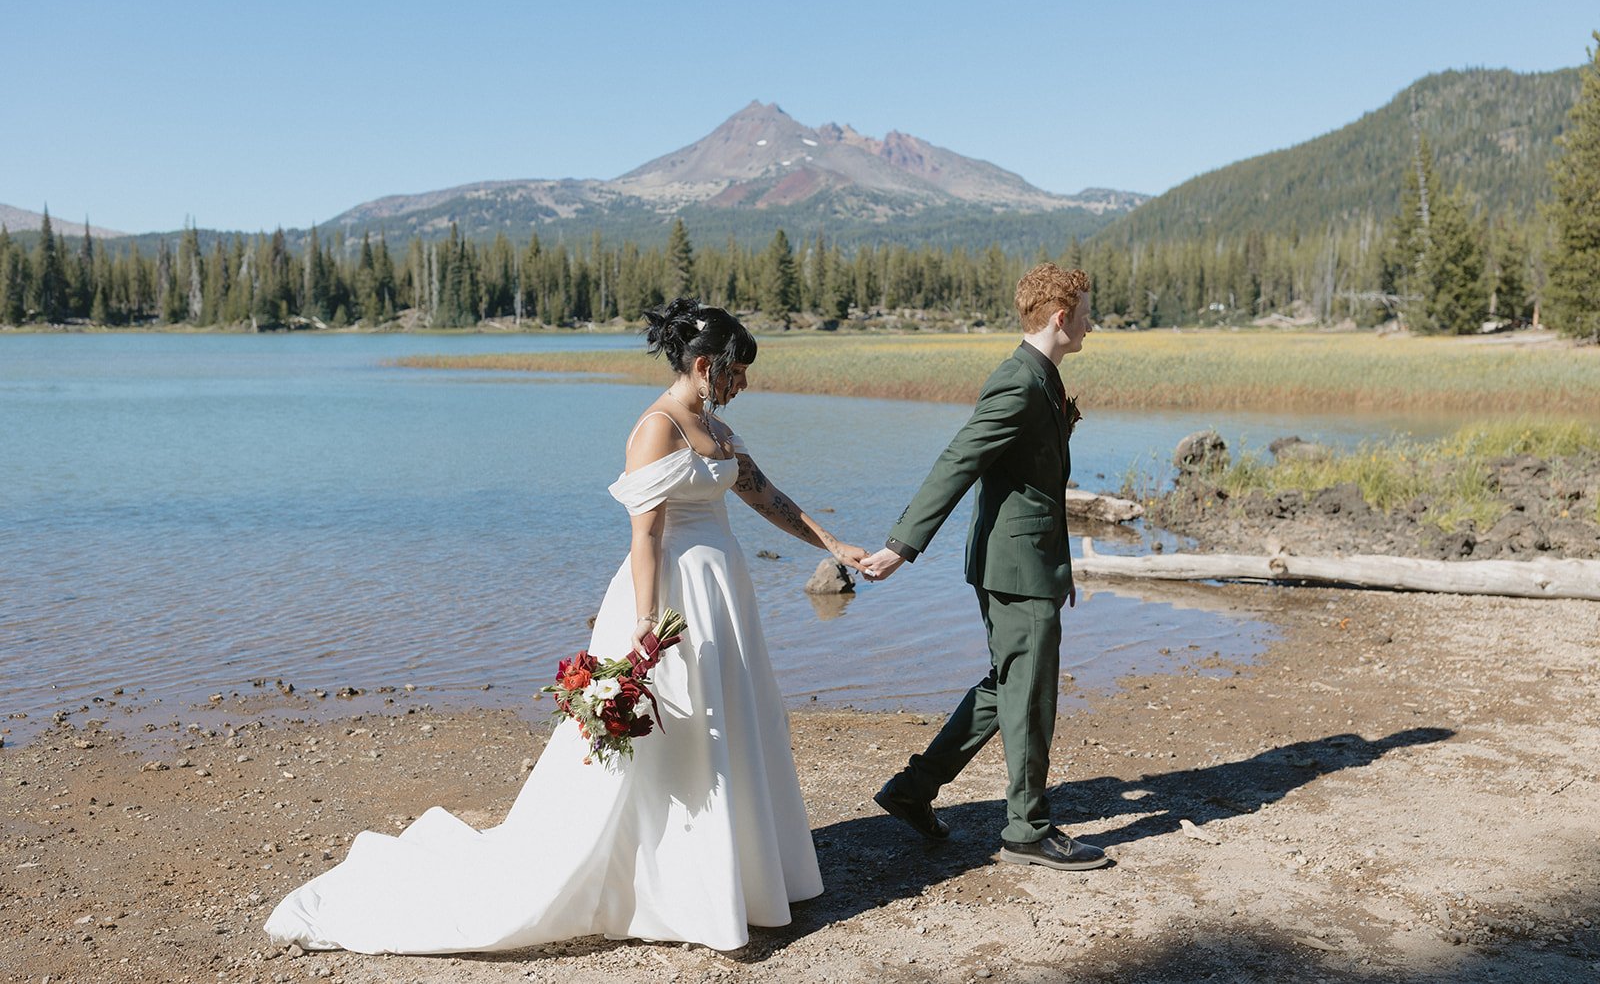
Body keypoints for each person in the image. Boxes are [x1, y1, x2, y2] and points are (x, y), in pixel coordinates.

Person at [265, 297, 869, 954]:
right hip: (671, 596)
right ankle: (668, 885)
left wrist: (834, 545)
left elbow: (767, 497)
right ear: (704, 366)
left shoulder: (718, 430)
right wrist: (646, 622)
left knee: (731, 719)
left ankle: (739, 873)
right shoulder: (657, 428)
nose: (744, 382)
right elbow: (646, 536)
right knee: (676, 732)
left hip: (723, 595)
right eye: (737, 370)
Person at [860, 263, 1109, 871]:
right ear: (1060, 317)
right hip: (1014, 568)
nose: (1092, 324)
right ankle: (1027, 829)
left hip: (1029, 563)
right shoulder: (1018, 382)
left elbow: (1038, 489)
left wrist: (1060, 568)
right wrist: (902, 546)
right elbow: (959, 460)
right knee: (1031, 694)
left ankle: (913, 790)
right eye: (1086, 314)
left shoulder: (1042, 376)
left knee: (1010, 686)